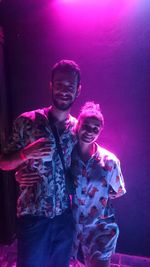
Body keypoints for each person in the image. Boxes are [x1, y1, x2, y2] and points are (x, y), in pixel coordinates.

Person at [0, 59, 81, 267]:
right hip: (33, 217)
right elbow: (4, 163)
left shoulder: (78, 130)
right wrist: (25, 154)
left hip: (65, 217)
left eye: (70, 86)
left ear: (78, 90)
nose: (64, 91)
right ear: (51, 85)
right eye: (60, 84)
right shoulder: (26, 121)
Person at [70, 102, 126, 267]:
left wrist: (96, 202)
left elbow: (117, 191)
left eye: (95, 128)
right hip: (70, 228)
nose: (89, 131)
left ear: (100, 131)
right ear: (78, 125)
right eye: (86, 126)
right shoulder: (67, 157)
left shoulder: (110, 161)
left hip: (100, 229)